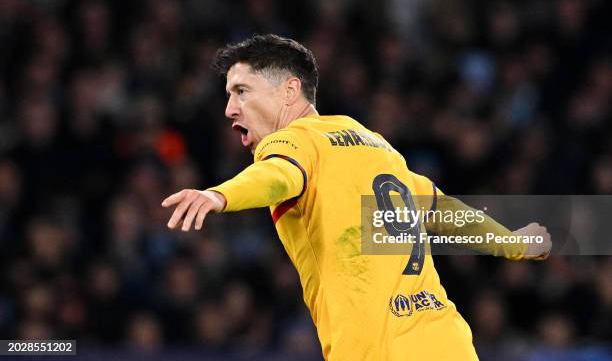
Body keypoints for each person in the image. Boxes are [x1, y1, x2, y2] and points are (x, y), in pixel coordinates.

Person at [161, 34, 551, 360]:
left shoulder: (295, 140)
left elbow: (277, 174)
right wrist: (514, 242)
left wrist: (220, 195)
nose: (230, 108)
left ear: (289, 91)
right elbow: (443, 209)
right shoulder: (374, 143)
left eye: (241, 91)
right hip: (446, 343)